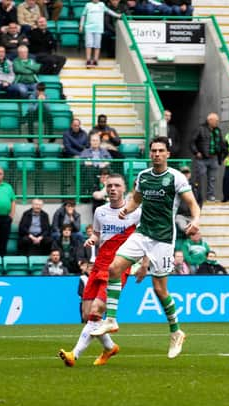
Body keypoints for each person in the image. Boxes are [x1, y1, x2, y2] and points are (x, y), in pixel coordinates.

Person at [91, 136, 201, 359]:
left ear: (168, 154)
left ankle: (176, 331)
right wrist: (127, 210)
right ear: (150, 154)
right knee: (114, 268)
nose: (157, 154)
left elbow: (192, 204)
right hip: (142, 233)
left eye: (161, 151)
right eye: (154, 151)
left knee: (159, 290)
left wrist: (196, 220)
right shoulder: (142, 176)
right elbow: (136, 200)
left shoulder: (176, 178)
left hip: (163, 238)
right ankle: (111, 319)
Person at [58, 173, 144, 367]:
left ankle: (74, 354)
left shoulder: (136, 212)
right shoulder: (100, 212)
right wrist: (93, 240)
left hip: (118, 267)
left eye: (117, 185)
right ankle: (110, 347)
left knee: (97, 310)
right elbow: (97, 233)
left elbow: (145, 237)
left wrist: (145, 262)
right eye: (109, 185)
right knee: (87, 314)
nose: (112, 189)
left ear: (125, 189)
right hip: (99, 265)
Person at [191, 112, 225, 202]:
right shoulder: (200, 129)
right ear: (209, 120)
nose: (217, 122)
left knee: (212, 178)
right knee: (200, 177)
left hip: (213, 158)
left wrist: (222, 155)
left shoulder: (217, 130)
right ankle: (198, 197)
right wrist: (196, 152)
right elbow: (192, 142)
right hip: (202, 158)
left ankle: (211, 196)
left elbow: (221, 143)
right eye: (216, 120)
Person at [79, 0, 120, 67]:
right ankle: (88, 60)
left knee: (97, 45)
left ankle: (95, 60)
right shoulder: (88, 5)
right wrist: (81, 25)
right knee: (88, 44)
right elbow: (83, 15)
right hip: (89, 28)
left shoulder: (102, 5)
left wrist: (118, 15)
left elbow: (109, 11)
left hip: (98, 28)